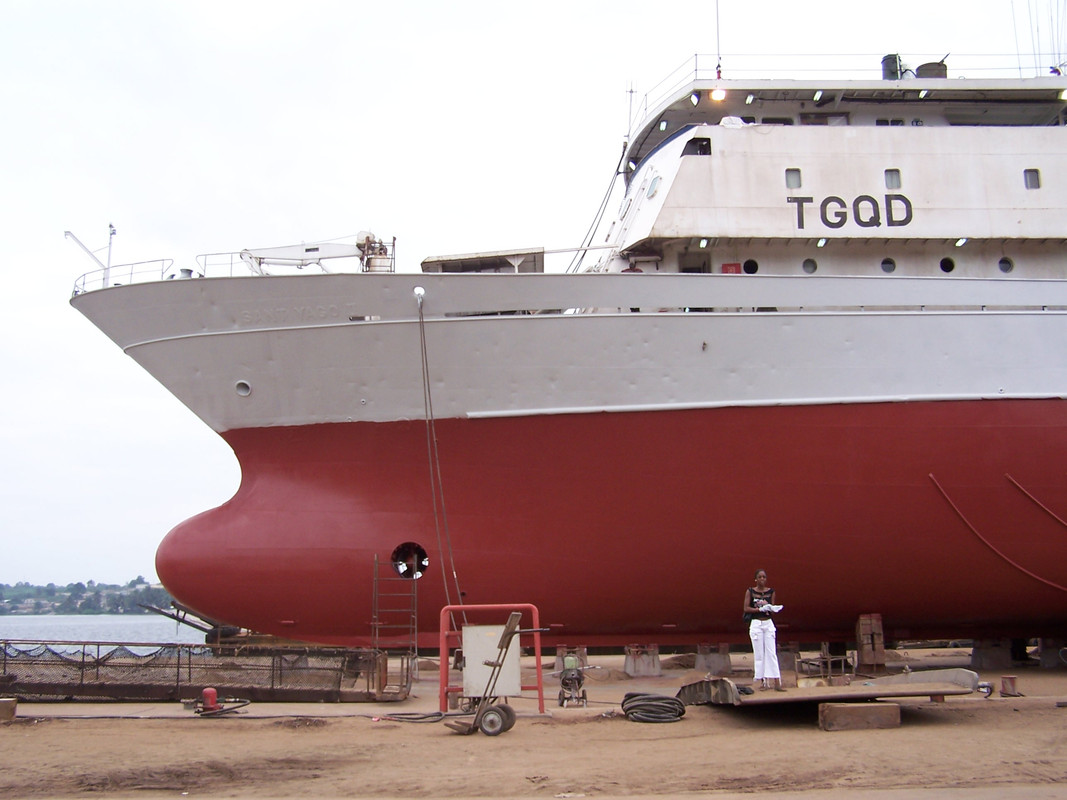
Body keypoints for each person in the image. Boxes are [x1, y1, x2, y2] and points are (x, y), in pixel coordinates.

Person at [743, 569, 785, 691]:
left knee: (771, 652)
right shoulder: (750, 591)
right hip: (756, 623)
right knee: (759, 654)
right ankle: (763, 682)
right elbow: (746, 608)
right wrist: (759, 609)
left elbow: (771, 609)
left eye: (764, 577)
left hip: (768, 623)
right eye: (760, 577)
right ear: (755, 579)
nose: (762, 579)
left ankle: (777, 682)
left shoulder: (771, 592)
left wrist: (772, 608)